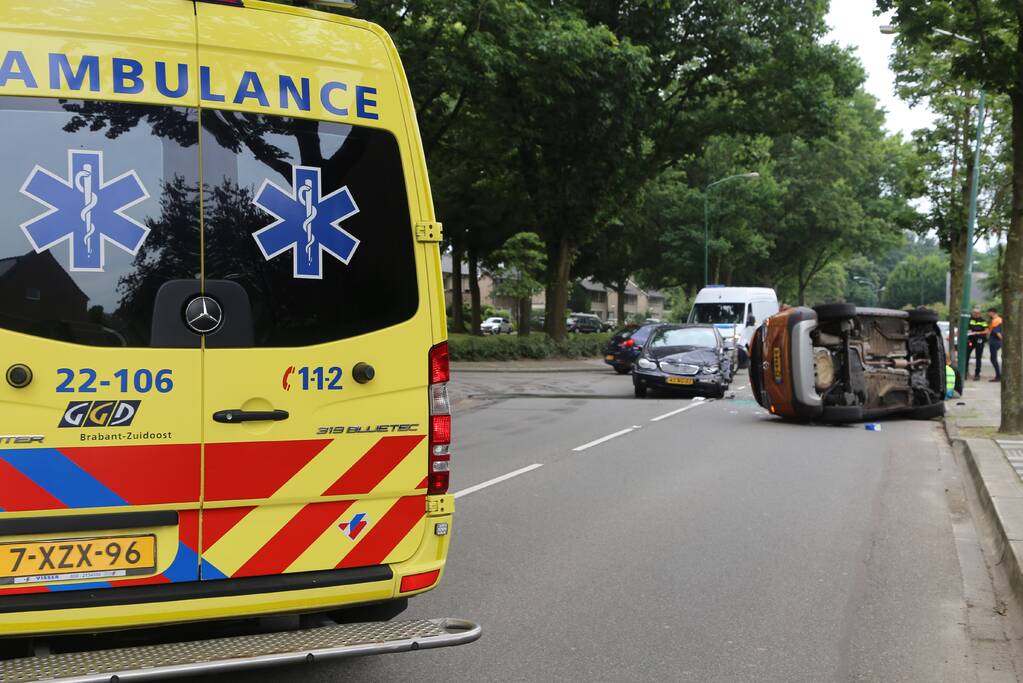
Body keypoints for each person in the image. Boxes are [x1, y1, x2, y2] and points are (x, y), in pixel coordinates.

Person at [967, 308, 989, 380]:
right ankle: (965, 372)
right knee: (966, 356)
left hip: (979, 340)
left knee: (978, 357)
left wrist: (977, 333)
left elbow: (986, 331)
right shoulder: (969, 319)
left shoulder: (983, 321)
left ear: (980, 314)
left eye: (977, 313)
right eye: (974, 313)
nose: (975, 314)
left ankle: (977, 374)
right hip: (970, 340)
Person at [988, 307, 1003, 382]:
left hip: (994, 342)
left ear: (992, 312)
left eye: (989, 313)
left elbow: (997, 332)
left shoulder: (995, 320)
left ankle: (998, 376)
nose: (988, 314)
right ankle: (998, 375)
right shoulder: (1000, 319)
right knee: (993, 359)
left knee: (993, 359)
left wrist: (1002, 340)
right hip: (997, 341)